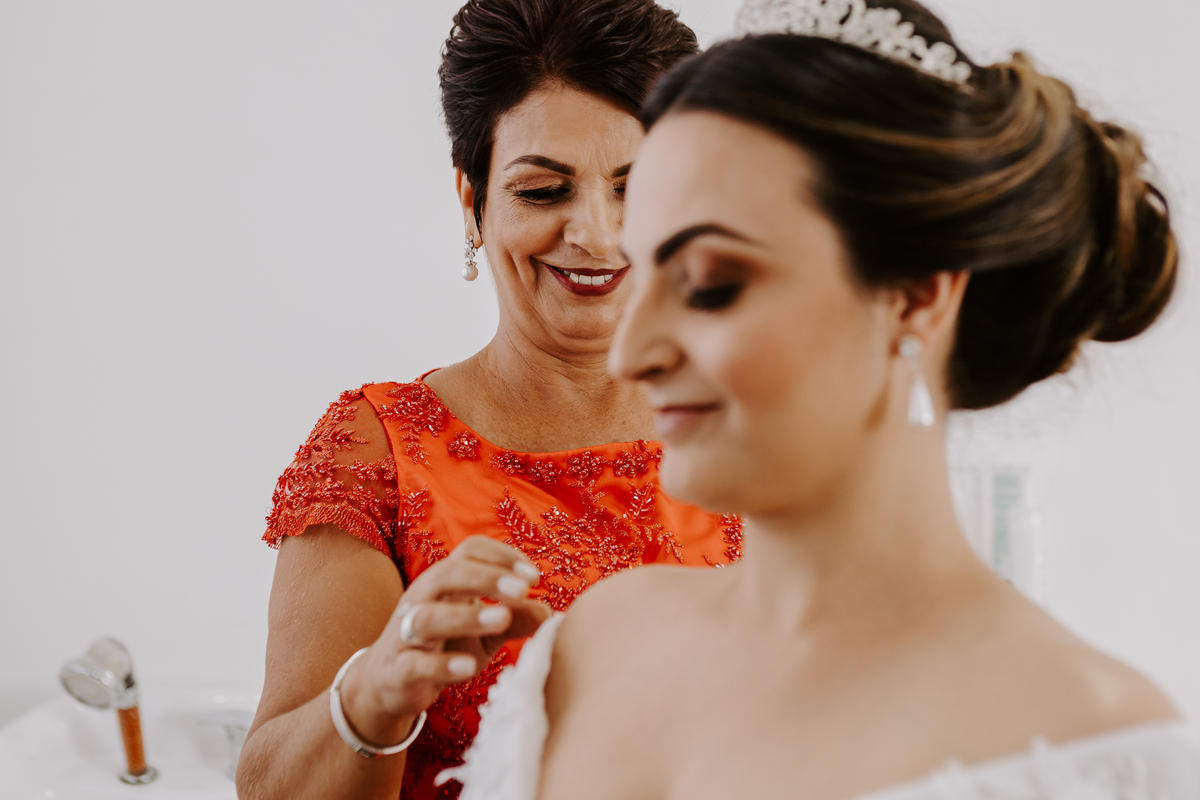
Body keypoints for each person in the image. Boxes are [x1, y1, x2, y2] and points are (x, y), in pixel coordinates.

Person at [441, 0, 1200, 797]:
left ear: (914, 297)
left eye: (711, 284)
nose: (633, 352)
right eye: (648, 269)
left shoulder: (1098, 747)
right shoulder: (589, 646)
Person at [235, 2, 743, 799]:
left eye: (637, 188)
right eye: (543, 191)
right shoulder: (378, 450)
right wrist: (375, 692)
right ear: (472, 198)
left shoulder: (763, 432)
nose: (597, 234)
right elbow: (271, 786)